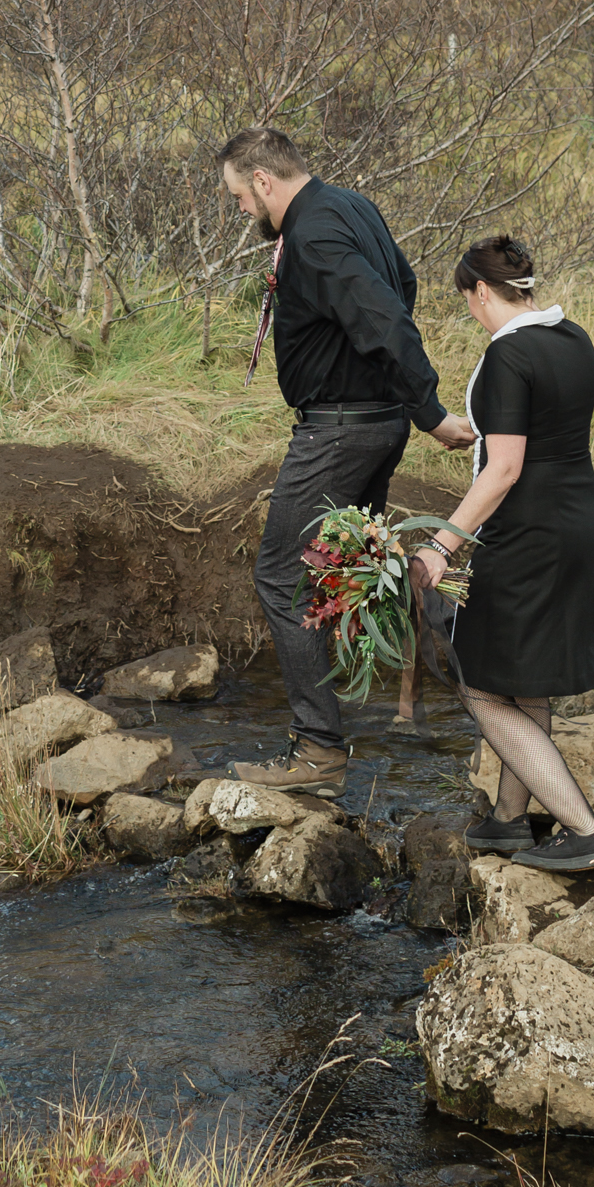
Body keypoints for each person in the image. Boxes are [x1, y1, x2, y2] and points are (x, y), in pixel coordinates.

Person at [216, 126, 474, 798]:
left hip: (340, 432)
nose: (242, 209)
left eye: (240, 196)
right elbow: (405, 283)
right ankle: (449, 685)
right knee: (343, 577)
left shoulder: (315, 233)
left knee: (281, 577)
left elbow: (386, 318)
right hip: (371, 423)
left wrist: (432, 412)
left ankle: (320, 753)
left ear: (264, 181)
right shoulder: (350, 204)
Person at [410, 233, 594, 873]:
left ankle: (584, 832)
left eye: (466, 299)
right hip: (581, 524)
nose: (469, 310)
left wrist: (442, 545)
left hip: (526, 538)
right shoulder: (572, 339)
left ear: (478, 292)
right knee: (525, 678)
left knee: (477, 679)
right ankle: (507, 821)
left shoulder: (506, 357)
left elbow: (503, 470)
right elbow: (546, 426)